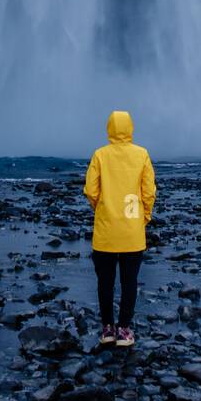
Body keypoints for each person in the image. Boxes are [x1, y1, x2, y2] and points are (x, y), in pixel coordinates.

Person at [83, 110, 156, 347]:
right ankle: (124, 330)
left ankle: (107, 330)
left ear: (109, 128)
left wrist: (102, 209)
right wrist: (143, 217)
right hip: (132, 232)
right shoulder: (142, 154)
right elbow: (149, 192)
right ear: (131, 128)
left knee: (104, 282)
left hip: (105, 232)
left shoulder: (100, 155)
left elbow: (91, 191)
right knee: (129, 282)